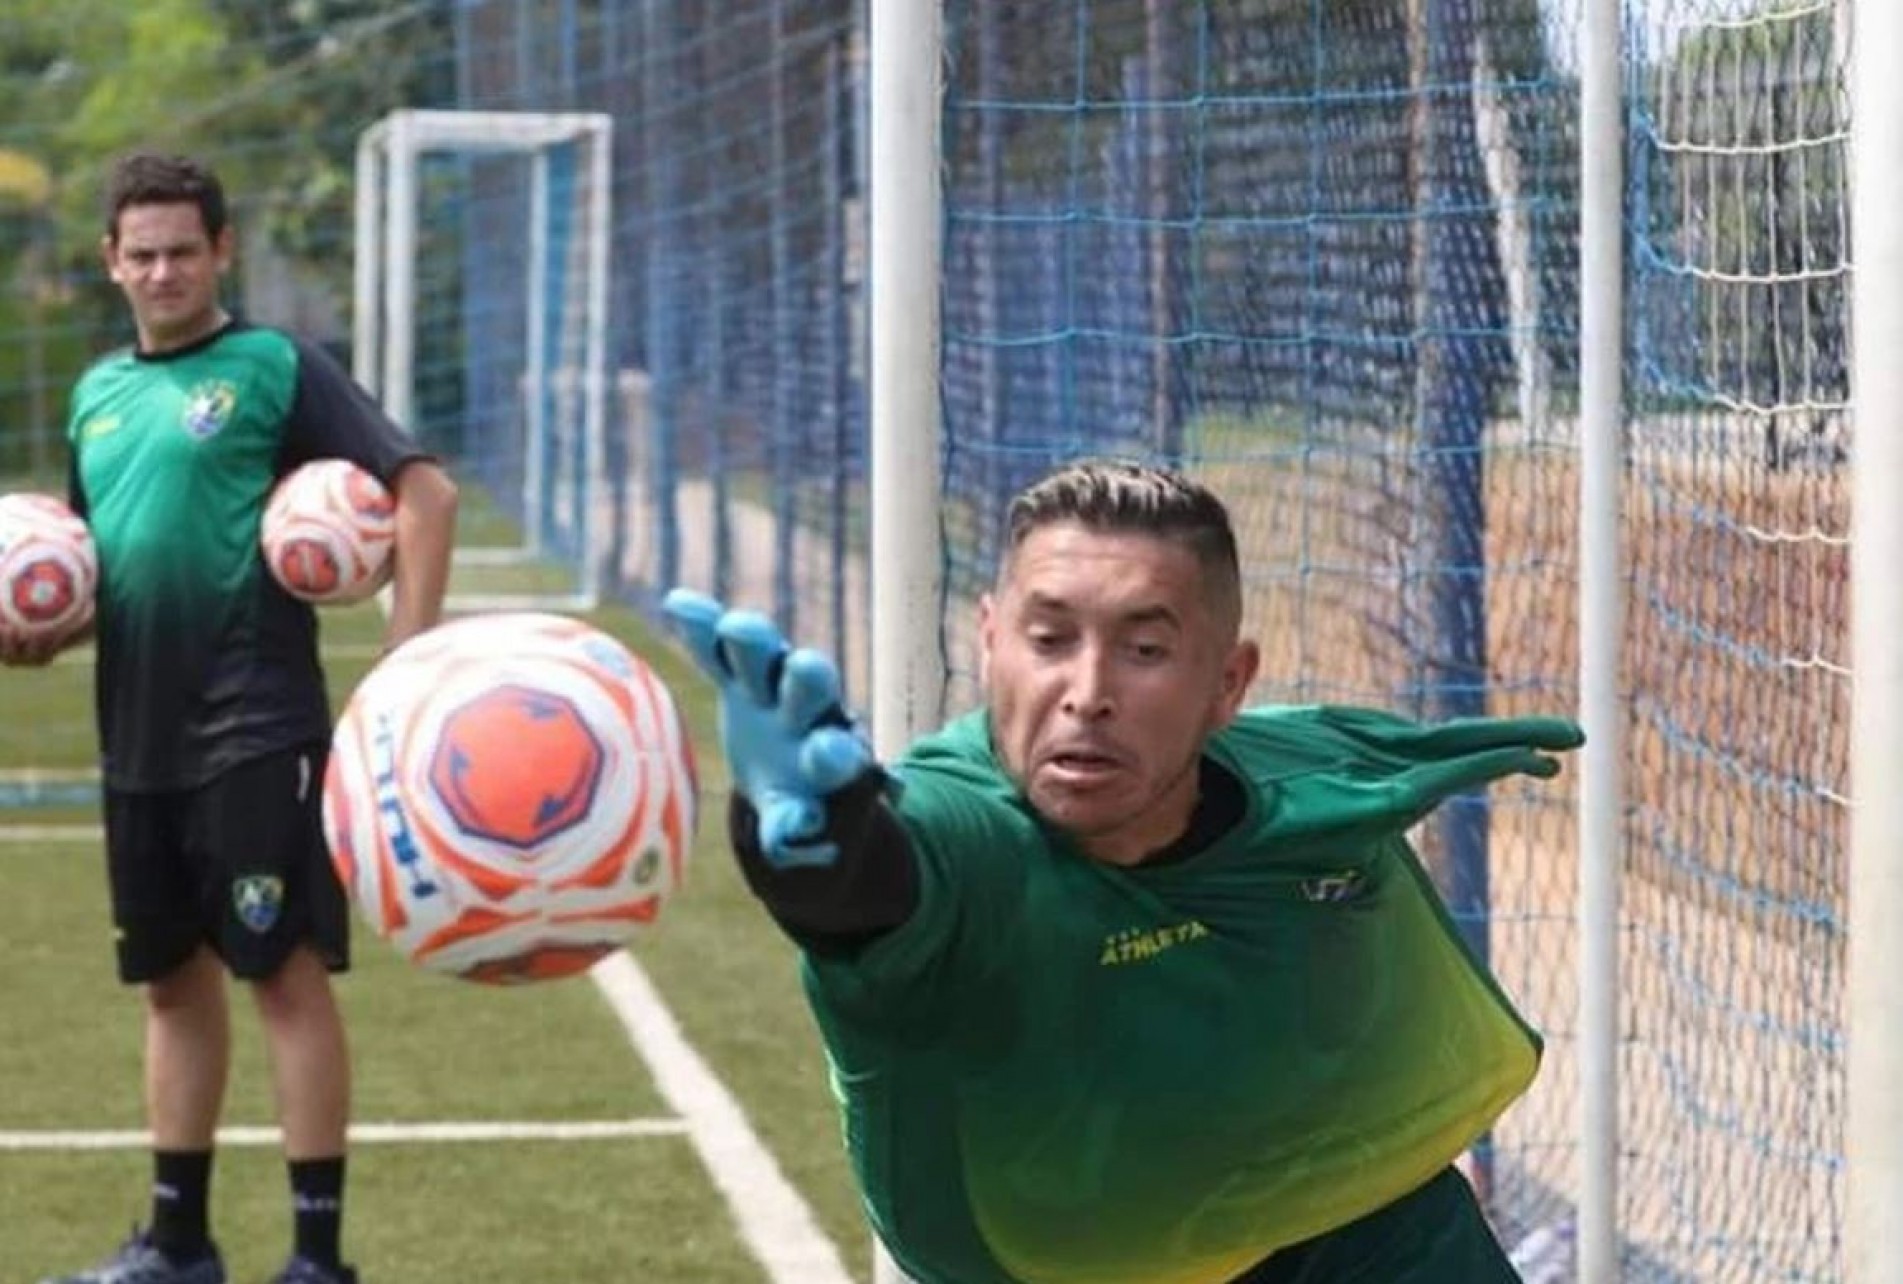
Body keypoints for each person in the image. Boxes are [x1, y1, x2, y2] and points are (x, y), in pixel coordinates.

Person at [663, 457, 1583, 1284]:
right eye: (1048, 639)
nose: (1088, 693)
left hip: (1359, 1230)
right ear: (989, 640)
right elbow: (880, 885)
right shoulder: (963, 826)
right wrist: (813, 836)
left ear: (1228, 682)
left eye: (1144, 650)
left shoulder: (1304, 796)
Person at [4, 152, 458, 1284]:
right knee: (170, 985)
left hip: (257, 729)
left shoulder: (275, 367)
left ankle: (316, 1261)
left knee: (283, 978)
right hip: (138, 739)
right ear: (112, 262)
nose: (163, 271)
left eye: (182, 251)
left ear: (221, 251)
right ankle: (177, 1248)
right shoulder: (97, 397)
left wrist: (405, 659)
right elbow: (107, 573)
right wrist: (43, 628)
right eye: (142, 254)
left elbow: (425, 493)